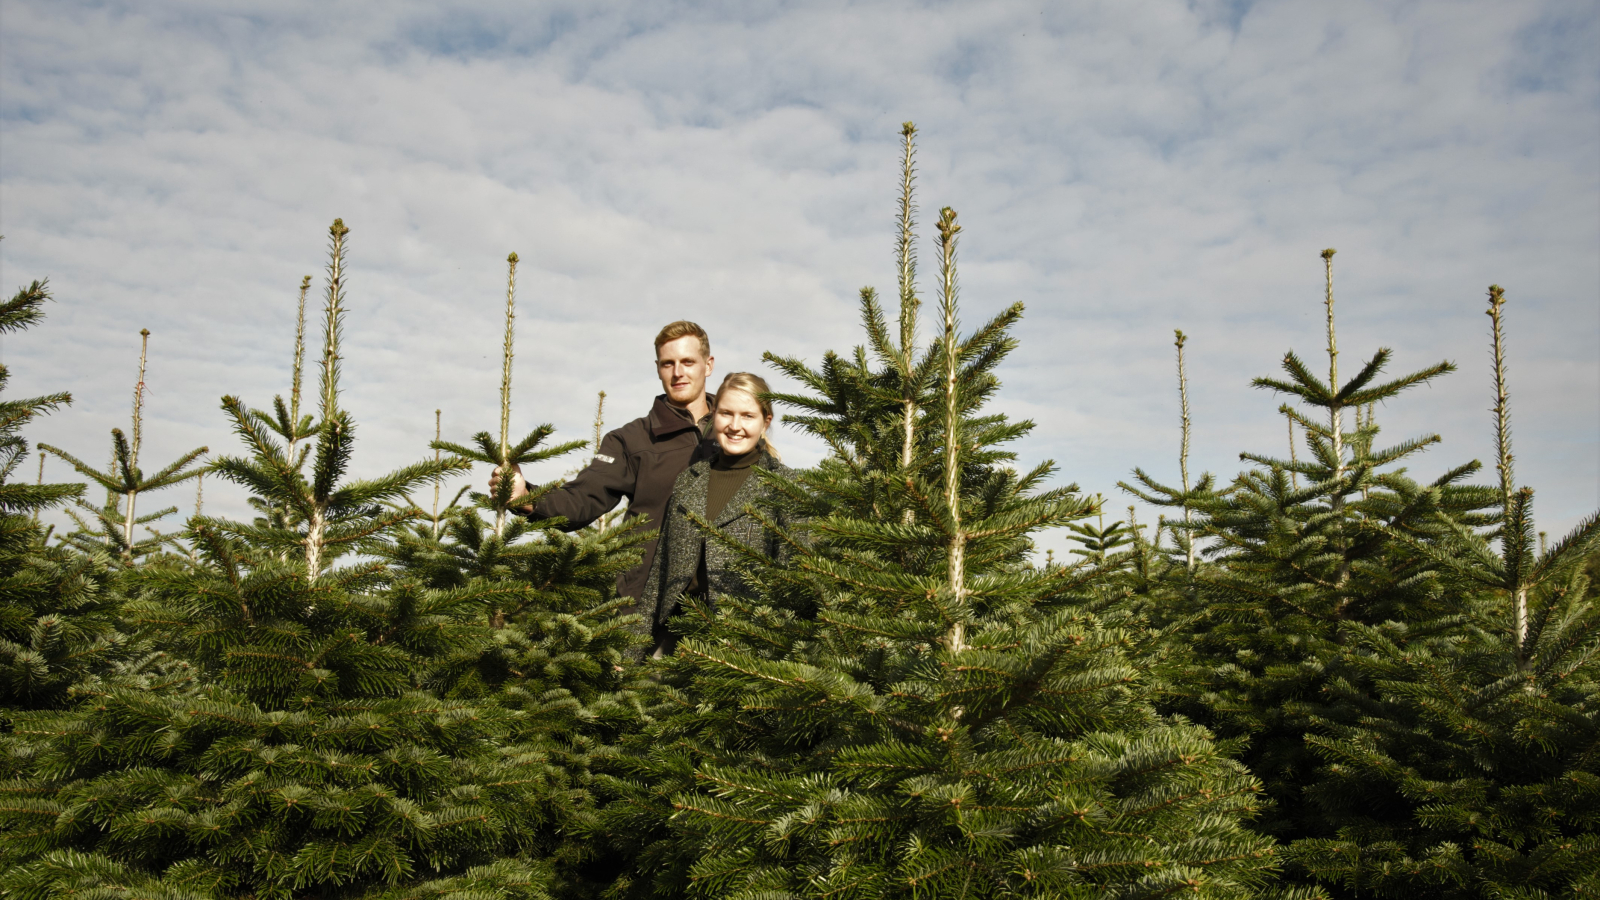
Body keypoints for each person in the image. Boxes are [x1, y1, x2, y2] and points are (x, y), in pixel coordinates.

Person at [491, 320, 716, 609]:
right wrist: (526, 498)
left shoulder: (737, 431)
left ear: (707, 365)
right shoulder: (631, 439)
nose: (678, 373)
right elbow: (584, 498)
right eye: (667, 364)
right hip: (651, 602)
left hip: (726, 603)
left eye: (688, 362)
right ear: (658, 368)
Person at [642, 371, 797, 657]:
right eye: (726, 413)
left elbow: (794, 582)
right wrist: (633, 647)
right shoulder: (690, 479)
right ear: (714, 415)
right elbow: (660, 572)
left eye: (747, 416)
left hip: (747, 650)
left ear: (766, 421)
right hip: (673, 642)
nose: (735, 426)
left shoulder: (784, 487)